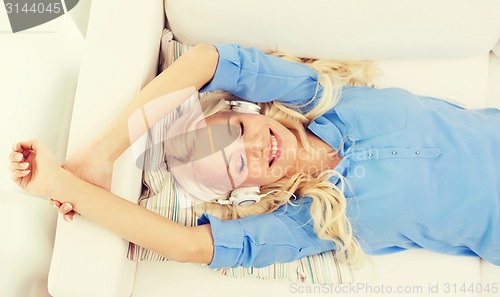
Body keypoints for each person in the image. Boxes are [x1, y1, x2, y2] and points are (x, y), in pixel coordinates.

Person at [8, 44, 500, 269]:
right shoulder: (311, 222)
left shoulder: (320, 97)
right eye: (237, 164)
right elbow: (188, 246)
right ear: (247, 191)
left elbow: (206, 61)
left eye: (239, 130)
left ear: (249, 111)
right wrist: (63, 184)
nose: (256, 146)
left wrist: (101, 153)